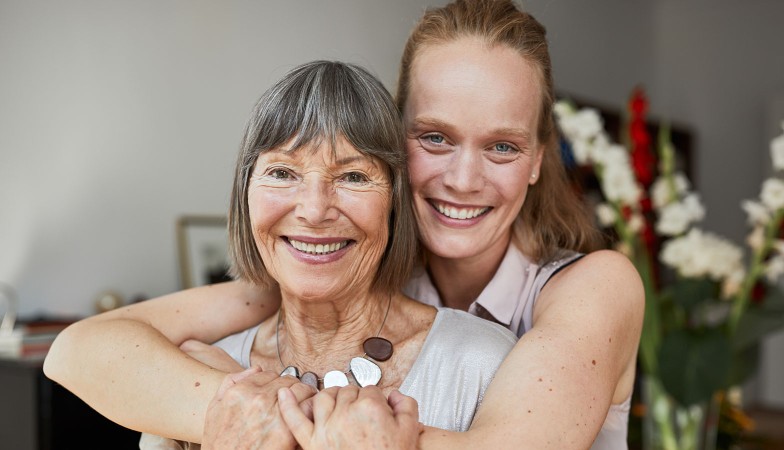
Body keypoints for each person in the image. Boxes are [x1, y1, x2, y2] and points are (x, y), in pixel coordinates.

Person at [44, 0, 644, 448]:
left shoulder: (592, 286)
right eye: (434, 137)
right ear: (391, 142)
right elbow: (81, 350)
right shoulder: (339, 264)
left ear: (540, 159)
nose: (464, 179)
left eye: (503, 148)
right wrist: (225, 407)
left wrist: (289, 418)